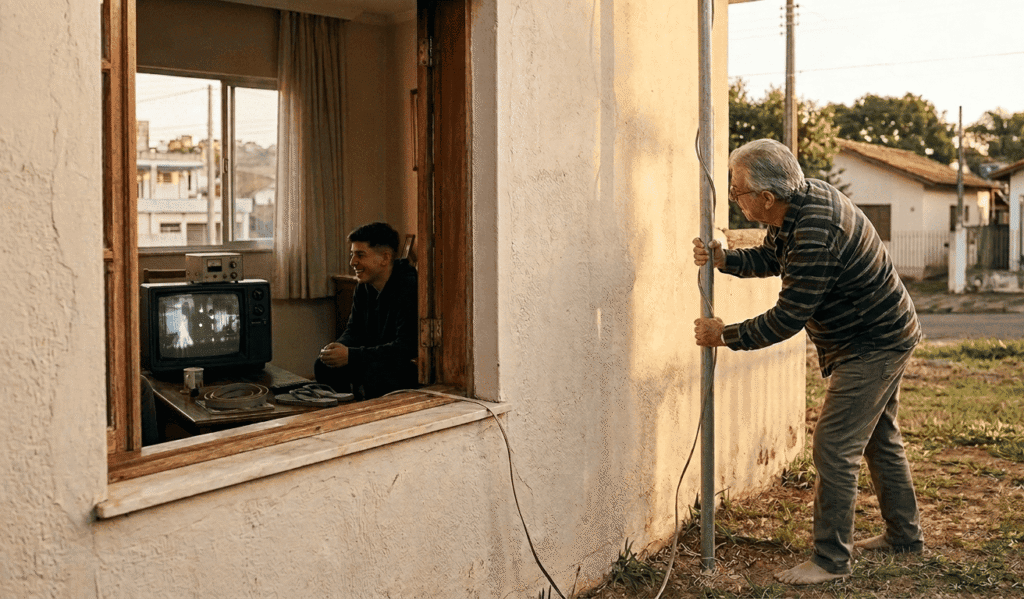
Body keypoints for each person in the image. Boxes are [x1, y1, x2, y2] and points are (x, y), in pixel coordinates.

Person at [692, 139, 923, 585]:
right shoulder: (798, 203)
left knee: (834, 446)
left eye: (736, 189)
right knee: (878, 438)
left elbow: (788, 317)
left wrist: (724, 335)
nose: (732, 196)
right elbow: (777, 258)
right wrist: (726, 260)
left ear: (766, 197)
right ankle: (904, 538)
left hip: (872, 342)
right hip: (880, 332)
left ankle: (830, 561)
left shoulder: (817, 229)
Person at [315, 222, 418, 400]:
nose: (352, 262)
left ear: (385, 258)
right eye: (352, 255)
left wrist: (351, 356)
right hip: (371, 356)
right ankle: (344, 413)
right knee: (324, 365)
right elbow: (354, 330)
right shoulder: (364, 286)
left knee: (378, 376)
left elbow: (405, 348)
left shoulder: (409, 286)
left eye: (360, 255)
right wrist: (338, 348)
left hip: (399, 363)